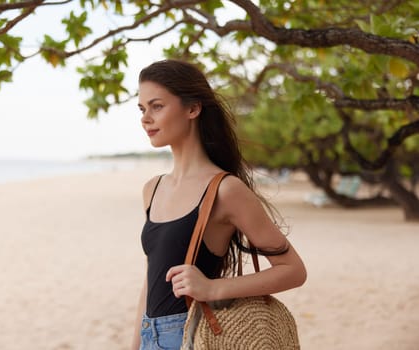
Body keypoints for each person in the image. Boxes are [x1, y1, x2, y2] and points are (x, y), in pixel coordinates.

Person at [131, 59, 307, 350]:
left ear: (192, 109)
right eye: (142, 109)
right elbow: (151, 280)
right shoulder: (153, 189)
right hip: (151, 335)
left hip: (193, 336)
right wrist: (136, 344)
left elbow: (293, 269)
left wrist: (213, 288)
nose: (145, 118)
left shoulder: (225, 190)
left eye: (157, 106)